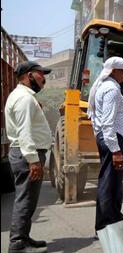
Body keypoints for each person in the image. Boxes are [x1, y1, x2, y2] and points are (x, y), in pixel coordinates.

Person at [5, 61, 52, 253]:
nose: (44, 79)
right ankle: (17, 244)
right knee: (25, 200)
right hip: (26, 156)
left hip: (25, 154)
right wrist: (33, 161)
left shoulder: (24, 97)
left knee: (29, 200)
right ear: (29, 75)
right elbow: (24, 133)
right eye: (41, 74)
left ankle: (23, 238)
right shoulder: (24, 99)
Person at [87, 57, 123, 232]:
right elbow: (107, 123)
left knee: (113, 182)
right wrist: (115, 151)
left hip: (110, 138)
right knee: (109, 183)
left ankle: (114, 219)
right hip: (112, 139)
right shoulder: (111, 90)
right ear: (114, 71)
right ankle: (106, 225)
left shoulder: (104, 87)